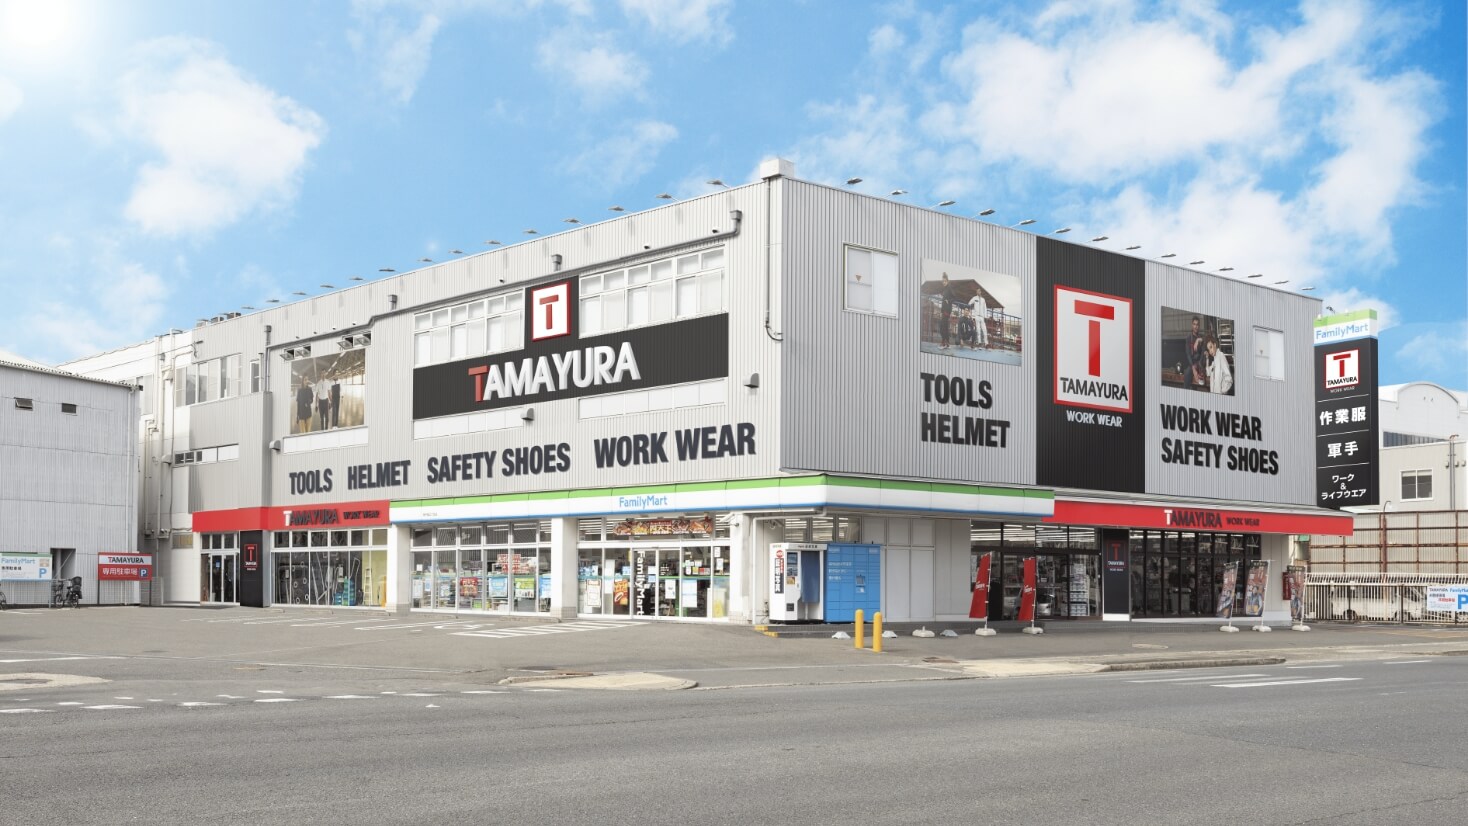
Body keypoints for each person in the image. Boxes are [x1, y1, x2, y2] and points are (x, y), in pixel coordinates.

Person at [1185, 316, 1207, 388]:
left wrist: (1199, 340)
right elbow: (1188, 354)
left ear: (1199, 326)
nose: (1195, 326)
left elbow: (1207, 339)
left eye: (1197, 325)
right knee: (1187, 373)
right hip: (1192, 363)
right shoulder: (1189, 338)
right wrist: (1193, 369)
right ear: (1192, 325)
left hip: (1200, 363)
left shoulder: (1201, 337)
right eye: (1194, 324)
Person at [938, 273, 957, 349]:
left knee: (943, 326)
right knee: (944, 326)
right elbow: (944, 301)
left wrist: (949, 301)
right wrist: (941, 311)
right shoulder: (945, 289)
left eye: (945, 281)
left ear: (947, 281)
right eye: (943, 281)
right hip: (944, 310)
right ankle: (947, 342)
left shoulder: (949, 288)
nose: (944, 282)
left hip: (947, 310)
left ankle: (944, 343)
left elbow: (954, 297)